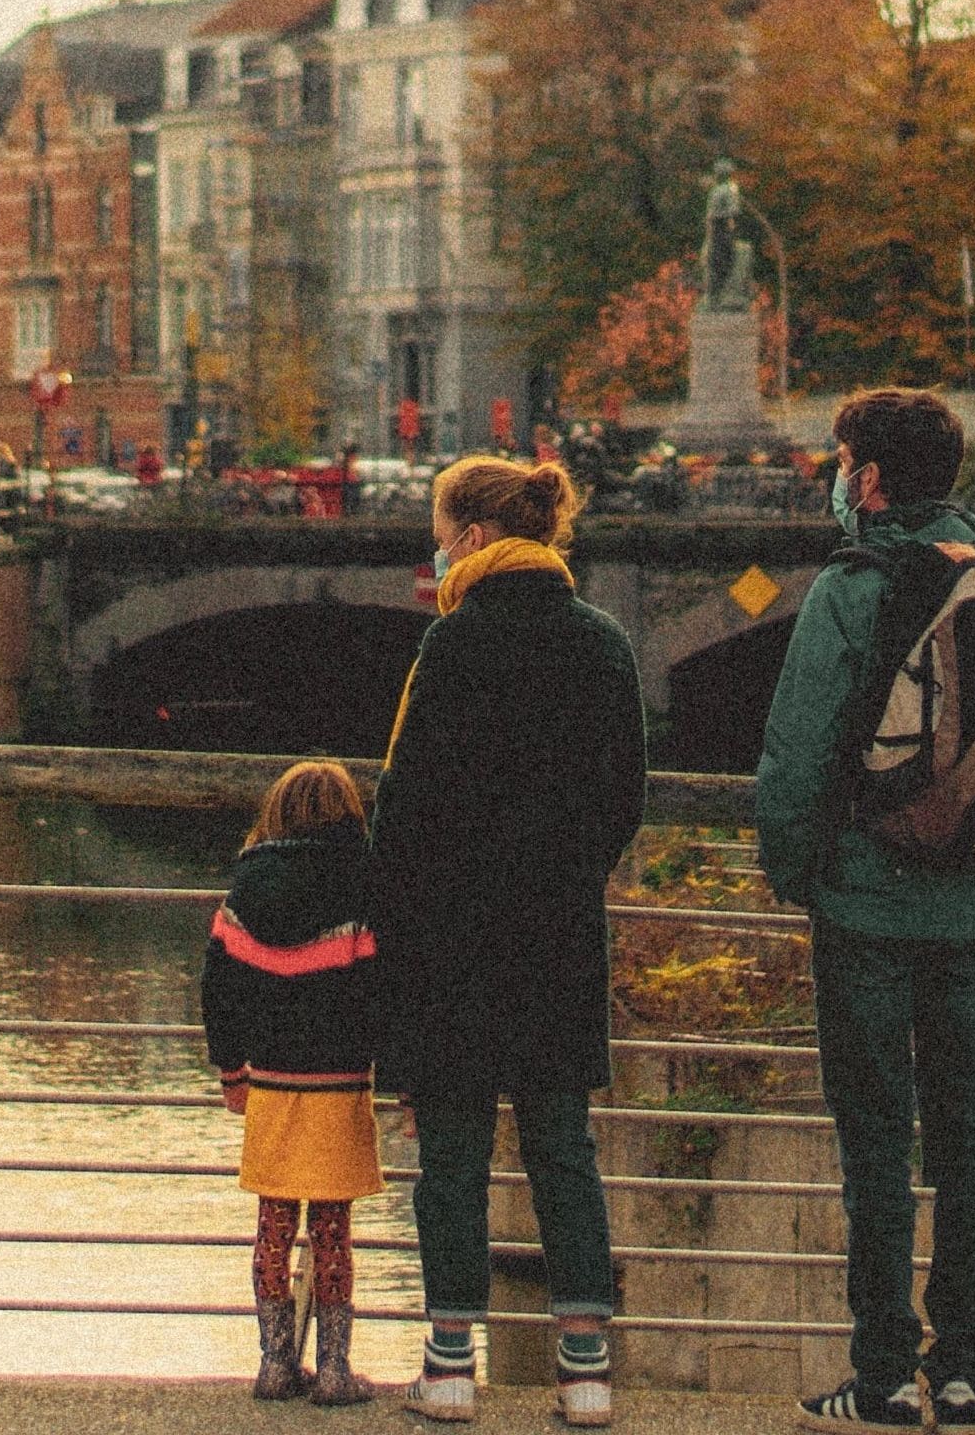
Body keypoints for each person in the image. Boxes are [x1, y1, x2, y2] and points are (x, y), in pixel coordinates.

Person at [756, 389, 975, 1434]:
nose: (840, 481)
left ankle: (885, 1372)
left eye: (845, 463)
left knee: (874, 1145)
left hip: (863, 904)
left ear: (872, 479)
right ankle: (964, 1372)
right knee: (962, 1134)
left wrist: (801, 873)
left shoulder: (849, 588)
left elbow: (796, 760)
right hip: (966, 911)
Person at [369, 455, 644, 1429]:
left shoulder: (451, 647)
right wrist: (563, 873)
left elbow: (403, 810)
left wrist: (400, 933)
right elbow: (623, 801)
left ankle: (449, 1369)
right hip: (557, 932)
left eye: (441, 532)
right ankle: (584, 1374)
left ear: (475, 538)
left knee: (449, 1155)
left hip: (453, 940)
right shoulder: (603, 644)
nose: (436, 549)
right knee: (560, 1148)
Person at [201, 760, 383, 1407]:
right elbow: (377, 988)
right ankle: (334, 1369)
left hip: (271, 1081)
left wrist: (231, 1068)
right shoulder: (365, 884)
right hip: (339, 1079)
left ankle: (275, 1362)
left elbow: (218, 987)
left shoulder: (246, 887)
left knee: (272, 1225)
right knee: (332, 1230)